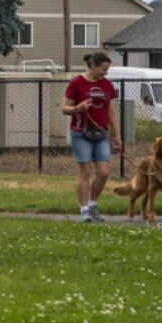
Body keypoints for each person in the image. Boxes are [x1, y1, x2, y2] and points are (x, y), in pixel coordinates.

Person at [62, 50, 121, 222]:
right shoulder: (76, 83)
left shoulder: (107, 85)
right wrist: (77, 109)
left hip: (101, 133)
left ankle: (93, 204)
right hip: (81, 133)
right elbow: (64, 108)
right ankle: (84, 211)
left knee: (103, 172)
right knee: (85, 172)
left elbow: (111, 111)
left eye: (107, 69)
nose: (106, 72)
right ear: (93, 66)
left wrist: (117, 136)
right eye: (103, 68)